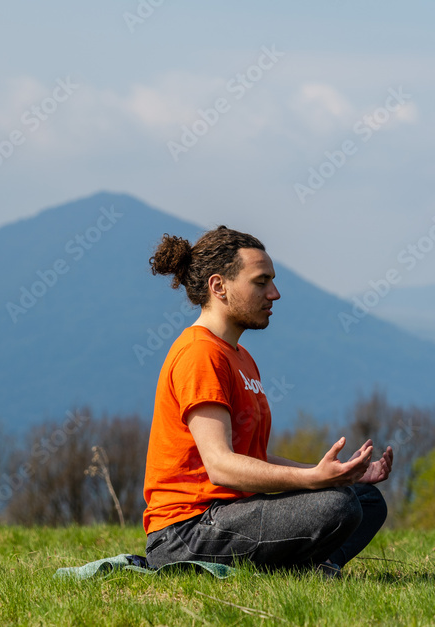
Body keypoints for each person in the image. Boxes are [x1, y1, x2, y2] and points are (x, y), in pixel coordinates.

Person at [142, 226, 393, 576]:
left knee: (363, 499)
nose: (274, 294)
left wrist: (334, 473)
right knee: (339, 505)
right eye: (261, 282)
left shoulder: (240, 356)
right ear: (219, 287)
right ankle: (308, 569)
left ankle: (318, 569)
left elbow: (252, 459)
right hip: (187, 532)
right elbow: (221, 465)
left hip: (231, 515)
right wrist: (312, 482)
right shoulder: (200, 354)